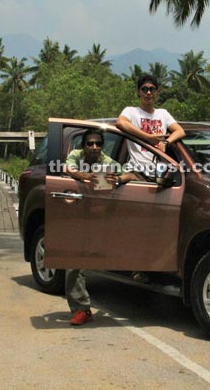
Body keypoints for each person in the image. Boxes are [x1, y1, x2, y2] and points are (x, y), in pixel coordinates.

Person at [116, 74, 185, 282]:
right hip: (136, 173)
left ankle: (150, 266)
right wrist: (148, 139)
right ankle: (133, 266)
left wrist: (166, 143)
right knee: (135, 223)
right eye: (144, 89)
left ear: (157, 92)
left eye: (152, 89)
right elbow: (120, 123)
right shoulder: (131, 111)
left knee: (153, 226)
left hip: (158, 177)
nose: (148, 93)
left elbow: (180, 131)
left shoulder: (163, 114)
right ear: (138, 91)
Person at [63, 129, 136, 325]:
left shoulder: (107, 162)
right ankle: (81, 309)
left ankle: (141, 276)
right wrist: (83, 176)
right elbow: (67, 169)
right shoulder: (76, 156)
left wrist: (119, 179)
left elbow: (132, 175)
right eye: (90, 143)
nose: (94, 147)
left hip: (103, 215)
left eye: (98, 143)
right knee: (73, 261)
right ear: (83, 146)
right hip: (76, 214)